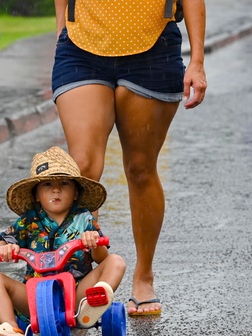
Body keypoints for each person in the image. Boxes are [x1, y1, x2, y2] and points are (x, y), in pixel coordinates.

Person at [51, 0, 207, 317]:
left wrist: (198, 61)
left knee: (140, 168)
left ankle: (143, 276)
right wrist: (61, 32)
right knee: (82, 167)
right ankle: (83, 271)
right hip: (82, 43)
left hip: (152, 45)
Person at [0, 146, 126, 336]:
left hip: (77, 295)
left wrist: (92, 241)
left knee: (116, 262)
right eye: (47, 184)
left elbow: (102, 258)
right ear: (37, 194)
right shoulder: (28, 221)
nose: (56, 190)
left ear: (75, 192)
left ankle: (95, 301)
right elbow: (4, 240)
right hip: (34, 296)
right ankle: (12, 329)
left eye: (64, 184)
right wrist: (5, 248)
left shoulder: (84, 218)